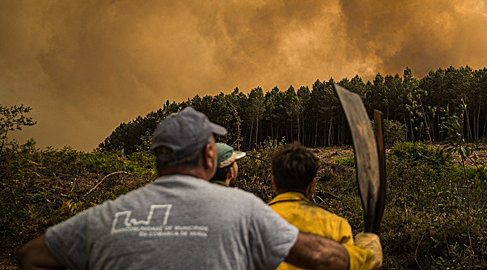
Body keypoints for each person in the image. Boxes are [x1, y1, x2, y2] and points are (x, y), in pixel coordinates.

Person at [18, 107, 350, 270]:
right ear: (209, 155)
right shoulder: (242, 209)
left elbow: (31, 256)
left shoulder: (107, 216)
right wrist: (361, 251)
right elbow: (320, 257)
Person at [269, 142, 383, 270]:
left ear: (274, 184)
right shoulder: (337, 226)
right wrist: (367, 254)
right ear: (312, 186)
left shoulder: (251, 223)